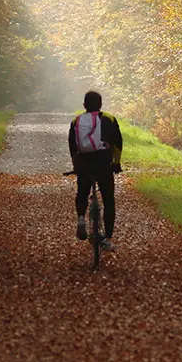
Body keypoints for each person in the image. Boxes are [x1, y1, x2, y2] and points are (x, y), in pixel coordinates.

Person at [68, 90, 123, 249]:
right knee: (108, 199)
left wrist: (76, 165)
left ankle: (80, 219)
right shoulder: (109, 119)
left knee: (83, 192)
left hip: (84, 163)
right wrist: (116, 163)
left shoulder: (76, 121)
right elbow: (118, 143)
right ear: (101, 104)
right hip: (103, 163)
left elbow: (73, 146)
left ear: (84, 105)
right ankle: (108, 239)